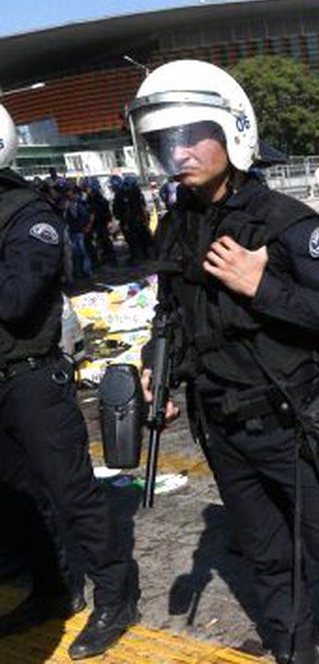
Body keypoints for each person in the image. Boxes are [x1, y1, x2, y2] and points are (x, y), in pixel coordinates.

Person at [126, 60, 319, 664]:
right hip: (222, 427)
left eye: (190, 135)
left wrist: (263, 287)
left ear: (233, 132)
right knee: (269, 565)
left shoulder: (287, 222)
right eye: (164, 141)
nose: (180, 153)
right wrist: (160, 368)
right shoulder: (174, 226)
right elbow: (168, 311)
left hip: (295, 425)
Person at [0, 102, 140, 658]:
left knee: (71, 492)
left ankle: (116, 595)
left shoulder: (25, 213)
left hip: (32, 377)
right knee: (16, 501)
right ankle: (53, 588)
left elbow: (16, 300)